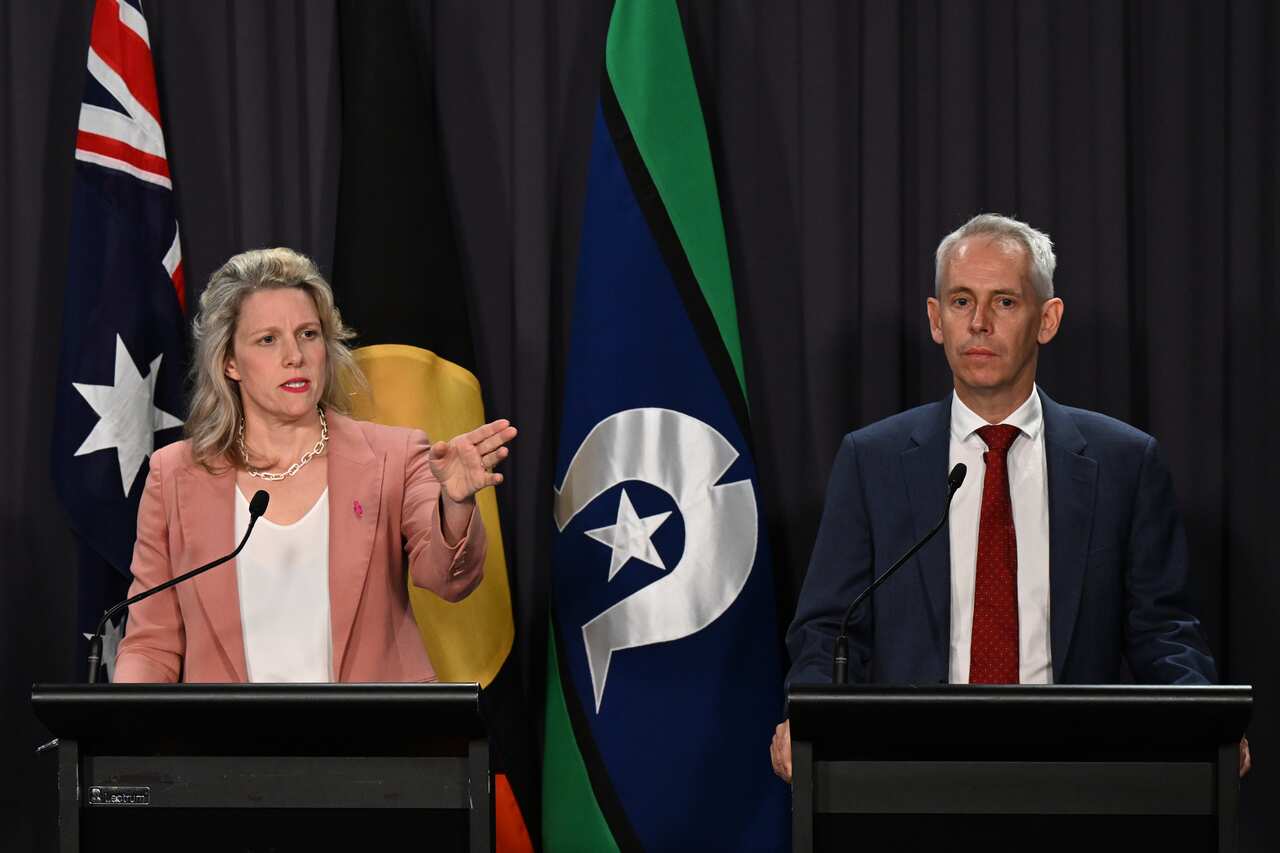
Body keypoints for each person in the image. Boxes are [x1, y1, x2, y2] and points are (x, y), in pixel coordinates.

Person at [769, 214, 1250, 780]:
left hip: (1073, 773)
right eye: (960, 301)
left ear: (1047, 320)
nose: (978, 324)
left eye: (1003, 303)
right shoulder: (872, 460)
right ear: (935, 319)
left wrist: (1203, 718)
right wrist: (809, 715)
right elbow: (829, 628)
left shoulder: (1123, 463)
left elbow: (1163, 629)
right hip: (910, 773)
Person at [114, 247, 516, 683]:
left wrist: (455, 502)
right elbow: (151, 644)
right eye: (268, 340)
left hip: (374, 743)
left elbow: (448, 580)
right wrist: (126, 739)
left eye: (308, 334)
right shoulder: (175, 475)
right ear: (230, 362)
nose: (295, 356)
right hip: (229, 747)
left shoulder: (392, 457)